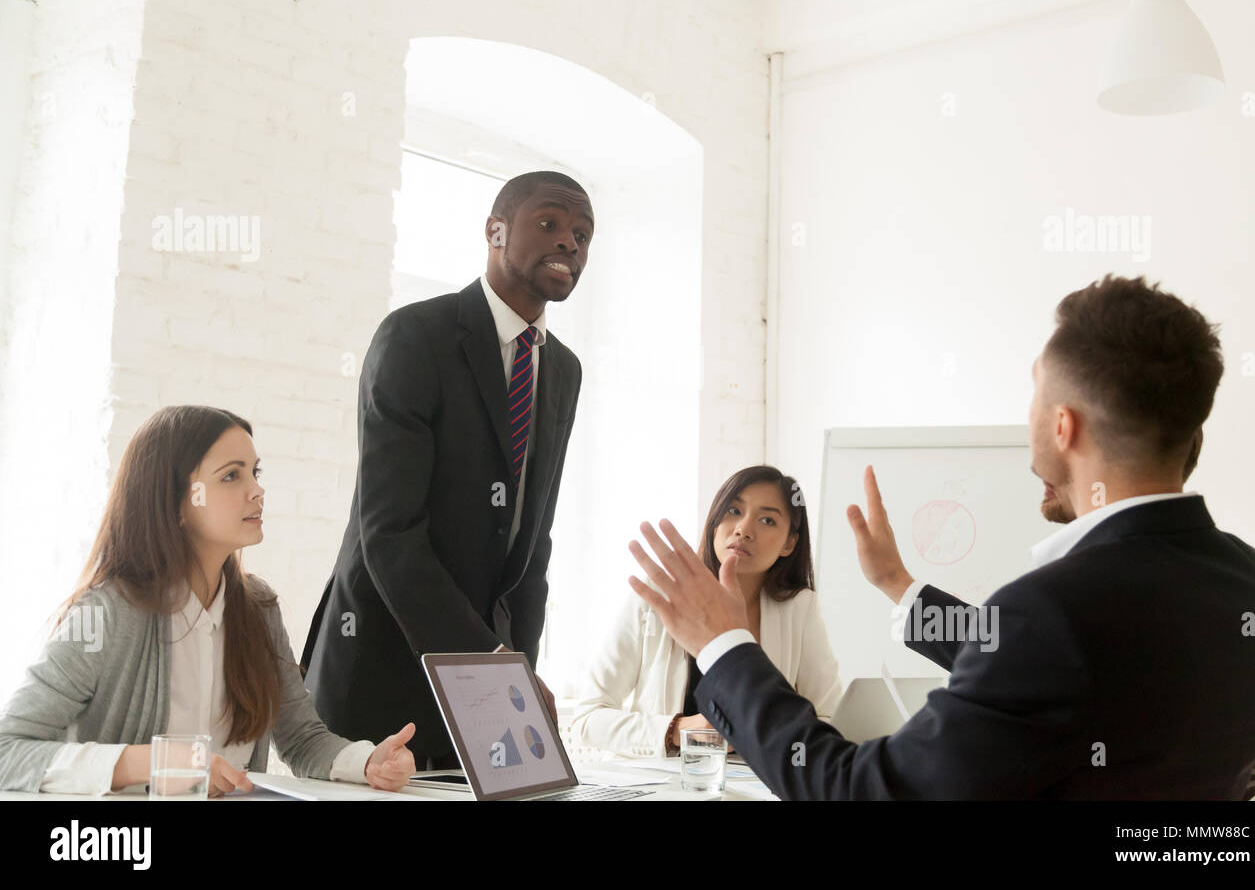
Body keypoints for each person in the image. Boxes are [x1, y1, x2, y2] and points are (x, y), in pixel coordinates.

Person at [627, 274, 1255, 799]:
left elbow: (862, 791)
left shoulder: (1053, 610)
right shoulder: (1246, 580)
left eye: (1032, 399)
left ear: (1063, 426)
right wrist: (899, 586)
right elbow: (1064, 670)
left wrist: (725, 646)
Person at [302, 171, 588, 769]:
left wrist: (518, 673)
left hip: (487, 679)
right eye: (550, 224)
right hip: (381, 664)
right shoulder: (415, 336)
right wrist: (492, 665)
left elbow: (532, 546)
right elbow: (391, 533)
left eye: (583, 235)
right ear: (495, 230)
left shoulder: (562, 369)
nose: (570, 242)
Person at [0, 406, 416, 795]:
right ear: (177, 502)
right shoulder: (106, 613)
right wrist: (154, 762)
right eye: (231, 476)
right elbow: (7, 751)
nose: (258, 490)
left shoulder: (258, 607)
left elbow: (302, 739)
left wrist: (367, 762)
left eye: (255, 472)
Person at [879, 423, 1255, 799]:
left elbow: (1036, 653)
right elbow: (1031, 658)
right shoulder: (1247, 574)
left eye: (1054, 422)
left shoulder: (1064, 598)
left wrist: (807, 718)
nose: (1036, 457)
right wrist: (901, 587)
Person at [571, 466, 841, 759]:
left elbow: (831, 720)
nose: (743, 529)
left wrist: (767, 736)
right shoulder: (659, 595)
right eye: (734, 511)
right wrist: (679, 731)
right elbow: (587, 718)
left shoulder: (799, 608)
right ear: (714, 522)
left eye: (767, 520)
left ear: (790, 543)